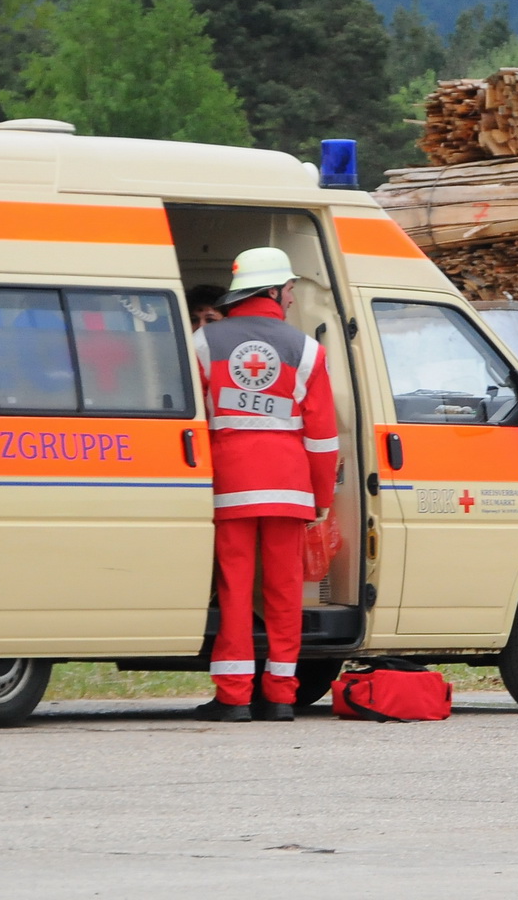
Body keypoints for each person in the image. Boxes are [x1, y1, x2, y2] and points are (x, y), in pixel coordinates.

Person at [191, 247, 339, 723]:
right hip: (290, 485)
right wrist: (320, 499)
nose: (293, 297)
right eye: (290, 288)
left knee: (235, 588)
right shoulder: (308, 350)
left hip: (230, 482)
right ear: (272, 290)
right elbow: (321, 437)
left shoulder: (204, 343)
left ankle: (233, 696)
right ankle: (279, 694)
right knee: (284, 591)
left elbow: (193, 417)